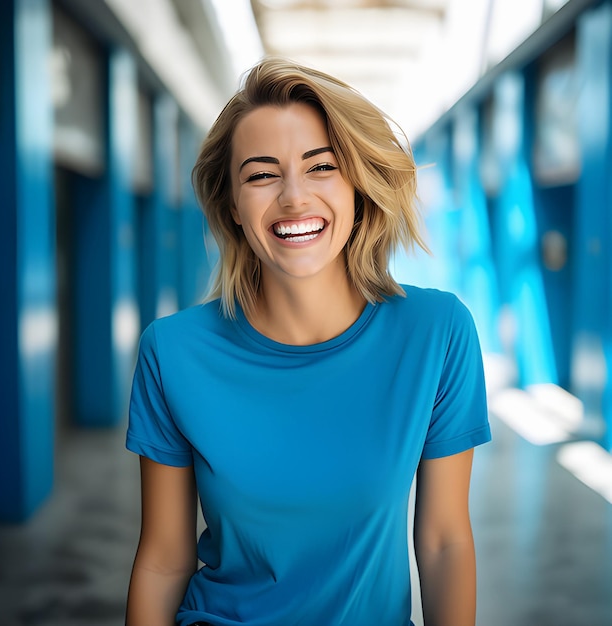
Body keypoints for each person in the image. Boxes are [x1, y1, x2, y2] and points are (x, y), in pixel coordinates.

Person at [125, 57, 491, 626]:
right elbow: (163, 558)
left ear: (357, 184)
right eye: (262, 174)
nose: (294, 198)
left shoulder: (436, 334)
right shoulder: (172, 353)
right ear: (232, 205)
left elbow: (443, 542)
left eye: (321, 167)